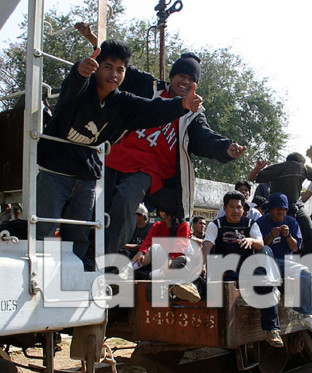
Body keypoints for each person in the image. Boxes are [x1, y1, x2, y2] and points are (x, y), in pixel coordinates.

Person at [75, 24, 246, 258]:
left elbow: (204, 137)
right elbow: (119, 66)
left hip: (150, 169)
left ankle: (102, 256)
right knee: (94, 203)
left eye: (190, 79)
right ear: (172, 77)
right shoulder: (149, 86)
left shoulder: (193, 112)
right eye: (181, 76)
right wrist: (96, 42)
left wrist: (226, 147)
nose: (185, 82)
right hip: (116, 155)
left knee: (125, 200)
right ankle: (80, 254)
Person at [36, 39, 202, 270]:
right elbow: (72, 85)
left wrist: (182, 105)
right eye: (107, 67)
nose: (114, 74)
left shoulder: (122, 102)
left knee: (82, 229)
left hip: (88, 173)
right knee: (44, 226)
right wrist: (79, 71)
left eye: (119, 70)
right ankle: (39, 273)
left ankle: (84, 271)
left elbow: (150, 110)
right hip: (56, 170)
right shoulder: (81, 89)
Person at [199, 191, 283, 347]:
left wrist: (251, 240)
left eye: (239, 207)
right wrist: (202, 264)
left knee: (264, 282)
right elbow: (207, 245)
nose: (235, 210)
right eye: (231, 207)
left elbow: (261, 243)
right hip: (225, 270)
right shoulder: (215, 224)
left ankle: (272, 330)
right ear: (225, 208)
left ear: (244, 209)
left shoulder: (251, 224)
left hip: (246, 269)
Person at [256, 193, 312, 333]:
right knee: (265, 249)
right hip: (265, 263)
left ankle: (307, 315)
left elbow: (295, 248)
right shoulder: (261, 222)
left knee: (305, 273)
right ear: (270, 209)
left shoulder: (291, 222)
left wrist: (288, 236)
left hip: (285, 262)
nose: (281, 211)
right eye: (277, 208)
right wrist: (271, 236)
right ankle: (272, 286)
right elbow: (258, 247)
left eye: (284, 209)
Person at [249, 152, 312, 254]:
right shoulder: (301, 167)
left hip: (291, 205)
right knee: (310, 235)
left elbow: (252, 177)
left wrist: (257, 168)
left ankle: (301, 260)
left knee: (303, 235)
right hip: (280, 206)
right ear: (300, 162)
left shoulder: (280, 167)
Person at [131, 209, 200, 301]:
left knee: (181, 261)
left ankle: (181, 286)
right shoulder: (158, 225)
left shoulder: (183, 225)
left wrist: (171, 259)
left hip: (182, 265)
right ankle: (127, 270)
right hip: (164, 266)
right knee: (155, 247)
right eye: (162, 211)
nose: (165, 214)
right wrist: (141, 252)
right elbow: (148, 241)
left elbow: (180, 246)